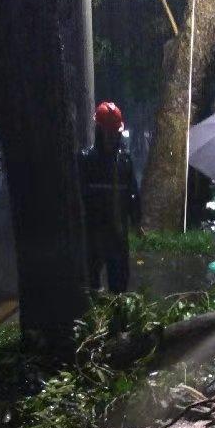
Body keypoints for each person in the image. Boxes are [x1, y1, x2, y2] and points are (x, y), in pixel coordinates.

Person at [79, 101, 143, 293]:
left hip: (117, 233)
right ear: (99, 131)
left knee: (119, 284)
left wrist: (136, 220)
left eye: (115, 132)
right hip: (93, 233)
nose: (112, 137)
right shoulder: (86, 160)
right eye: (108, 132)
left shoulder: (124, 160)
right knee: (91, 284)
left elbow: (132, 192)